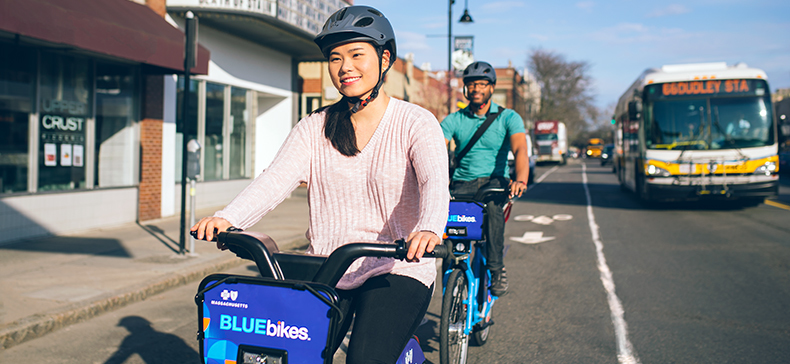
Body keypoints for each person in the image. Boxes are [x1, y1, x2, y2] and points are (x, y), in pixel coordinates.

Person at [191, 5, 449, 363]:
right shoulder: (314, 126)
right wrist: (228, 217)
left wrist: (429, 228)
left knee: (365, 358)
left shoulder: (416, 123)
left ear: (384, 58)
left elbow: (435, 181)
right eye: (335, 58)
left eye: (356, 55)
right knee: (294, 354)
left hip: (396, 267)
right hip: (329, 267)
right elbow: (275, 179)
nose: (345, 67)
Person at [440, 61, 529, 297]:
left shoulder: (508, 117)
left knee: (492, 209)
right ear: (465, 88)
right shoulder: (454, 119)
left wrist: (520, 180)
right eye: (471, 84)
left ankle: (496, 268)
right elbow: (435, 148)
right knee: (450, 231)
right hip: (462, 184)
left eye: (481, 84)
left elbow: (520, 149)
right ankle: (449, 282)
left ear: (492, 88)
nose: (476, 89)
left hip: (494, 181)